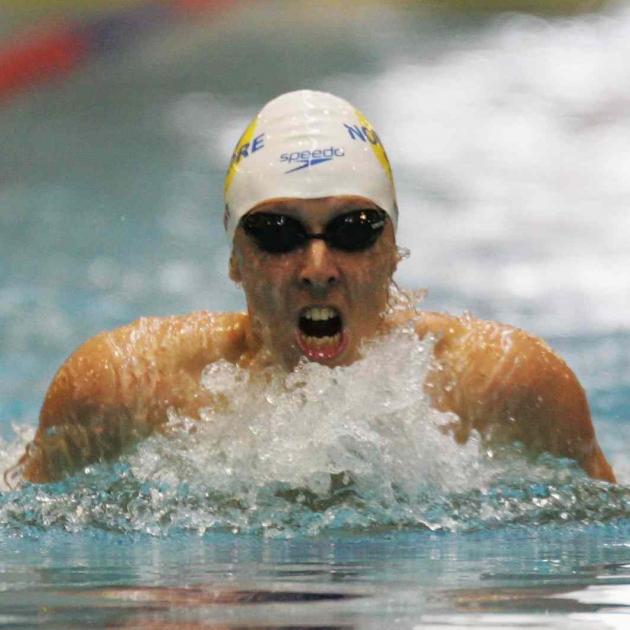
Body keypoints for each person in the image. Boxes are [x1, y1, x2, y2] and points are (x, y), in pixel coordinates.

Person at [7, 90, 615, 486]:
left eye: (354, 229)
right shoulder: (123, 386)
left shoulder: (507, 384)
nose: (317, 266)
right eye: (277, 233)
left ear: (393, 249)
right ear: (236, 259)